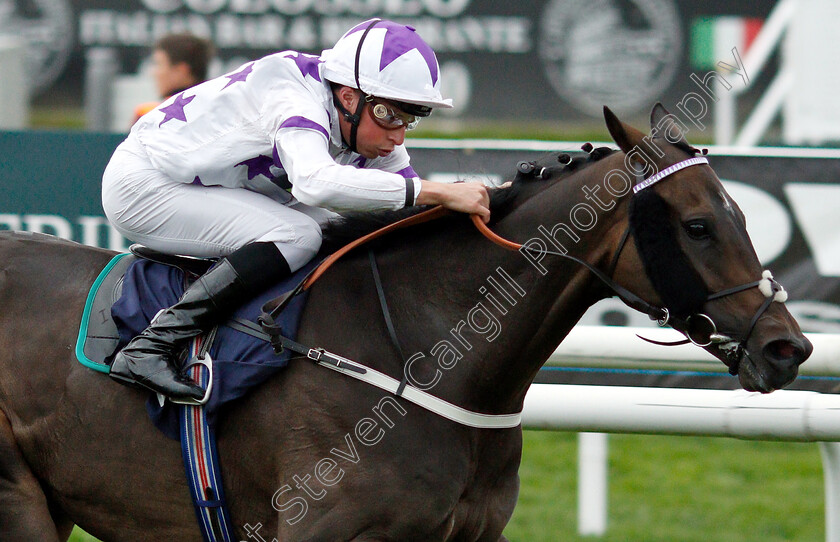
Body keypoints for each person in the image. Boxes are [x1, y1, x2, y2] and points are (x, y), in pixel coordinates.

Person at [101, 19, 491, 402]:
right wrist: (438, 191)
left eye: (410, 119)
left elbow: (405, 213)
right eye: (389, 115)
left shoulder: (360, 119)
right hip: (146, 184)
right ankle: (152, 346)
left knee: (335, 229)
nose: (398, 135)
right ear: (349, 98)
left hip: (195, 184)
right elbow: (315, 183)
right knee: (298, 234)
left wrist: (493, 200)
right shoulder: (294, 94)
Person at [132, 33, 215, 124]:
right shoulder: (218, 111)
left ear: (181, 70)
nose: (153, 73)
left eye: (158, 64)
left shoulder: (149, 116)